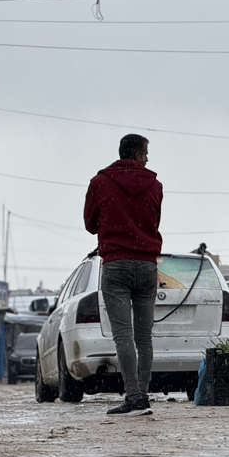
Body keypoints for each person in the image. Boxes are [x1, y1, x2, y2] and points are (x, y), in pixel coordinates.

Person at [84, 134, 163, 416]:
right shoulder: (155, 185)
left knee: (123, 335)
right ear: (138, 155)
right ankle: (143, 395)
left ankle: (134, 397)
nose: (148, 159)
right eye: (146, 154)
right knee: (144, 337)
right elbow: (153, 220)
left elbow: (90, 224)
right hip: (147, 265)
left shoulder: (99, 182)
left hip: (116, 264)